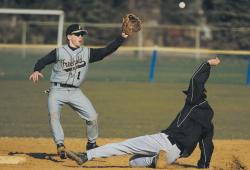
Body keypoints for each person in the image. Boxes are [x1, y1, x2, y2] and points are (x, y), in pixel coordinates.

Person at [67, 57, 221, 169]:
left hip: (164, 142)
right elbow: (207, 146)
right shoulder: (208, 122)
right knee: (133, 162)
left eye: (189, 93)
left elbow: (195, 80)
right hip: (174, 155)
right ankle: (155, 161)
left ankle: (85, 156)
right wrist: (203, 166)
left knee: (123, 146)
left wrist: (207, 64)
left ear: (200, 93)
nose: (188, 95)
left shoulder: (194, 102)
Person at [29, 23, 129, 159]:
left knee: (92, 116)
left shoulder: (87, 53)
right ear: (69, 37)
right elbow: (43, 61)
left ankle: (91, 144)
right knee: (54, 116)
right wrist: (37, 69)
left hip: (75, 92)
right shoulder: (59, 52)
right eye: (77, 34)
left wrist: (121, 37)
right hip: (57, 90)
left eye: (82, 34)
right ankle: (60, 145)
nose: (80, 37)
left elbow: (105, 51)